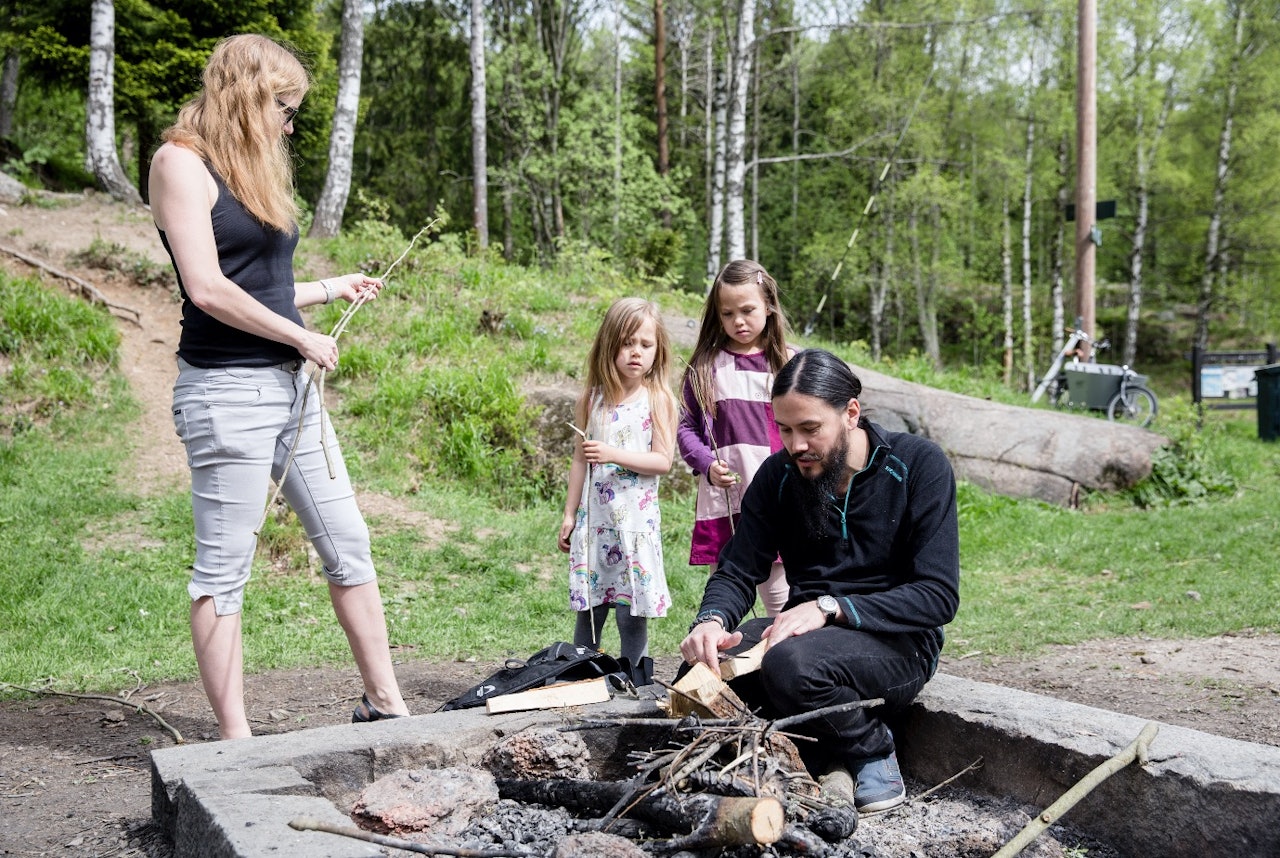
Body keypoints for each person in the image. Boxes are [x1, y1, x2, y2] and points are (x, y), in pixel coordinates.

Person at [148, 34, 409, 739]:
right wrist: (300, 335)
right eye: (285, 109)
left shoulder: (245, 170)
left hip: (290, 391)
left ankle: (386, 704)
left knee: (348, 544)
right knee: (223, 572)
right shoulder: (180, 164)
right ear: (250, 95)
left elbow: (260, 282)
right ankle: (236, 743)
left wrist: (329, 289)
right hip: (225, 395)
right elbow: (206, 288)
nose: (290, 126)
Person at [680, 348, 960, 813]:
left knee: (790, 666)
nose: (796, 445)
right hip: (804, 636)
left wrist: (831, 607)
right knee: (699, 671)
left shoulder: (918, 466)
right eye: (784, 430)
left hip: (898, 642)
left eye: (810, 428)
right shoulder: (778, 477)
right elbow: (738, 567)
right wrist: (710, 621)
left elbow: (937, 595)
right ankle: (791, 760)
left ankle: (872, 748)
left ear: (851, 412)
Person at [558, 298, 678, 687]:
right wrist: (569, 514)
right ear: (609, 344)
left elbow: (663, 461)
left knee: (631, 609)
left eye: (646, 344)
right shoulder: (592, 399)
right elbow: (580, 460)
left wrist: (612, 454)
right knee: (591, 607)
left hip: (635, 527)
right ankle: (581, 673)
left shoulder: (658, 399)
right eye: (627, 343)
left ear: (657, 350)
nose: (636, 353)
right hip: (596, 526)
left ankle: (635, 676)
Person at [677, 259, 793, 616]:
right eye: (728, 314)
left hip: (779, 497)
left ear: (769, 306)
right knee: (724, 594)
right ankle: (717, 665)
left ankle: (787, 662)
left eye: (747, 310)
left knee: (780, 598)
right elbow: (686, 428)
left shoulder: (791, 364)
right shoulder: (704, 367)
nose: (738, 321)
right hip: (726, 499)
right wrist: (706, 463)